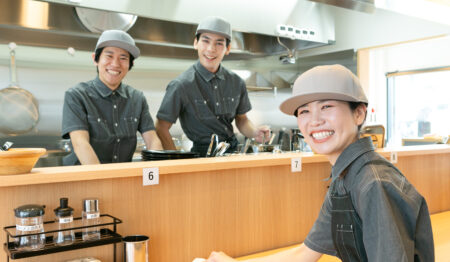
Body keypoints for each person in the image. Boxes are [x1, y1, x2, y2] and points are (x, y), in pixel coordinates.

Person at [205, 65, 434, 261]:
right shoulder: (345, 177)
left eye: (326, 107)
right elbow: (305, 253)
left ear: (359, 114)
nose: (314, 121)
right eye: (304, 111)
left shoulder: (372, 182)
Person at [156, 16, 269, 156]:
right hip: (200, 156)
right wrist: (174, 158)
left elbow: (242, 119)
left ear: (227, 49)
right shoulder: (181, 85)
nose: (211, 49)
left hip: (232, 153)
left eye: (219, 43)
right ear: (195, 43)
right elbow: (161, 127)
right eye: (205, 41)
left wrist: (255, 132)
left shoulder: (237, 82)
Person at [62, 30, 162, 165]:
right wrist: (103, 181)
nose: (115, 64)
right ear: (95, 59)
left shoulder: (137, 98)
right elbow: (81, 144)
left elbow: (153, 140)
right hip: (84, 178)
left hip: (120, 178)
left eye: (123, 58)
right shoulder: (77, 95)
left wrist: (156, 172)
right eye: (109, 56)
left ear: (130, 65)